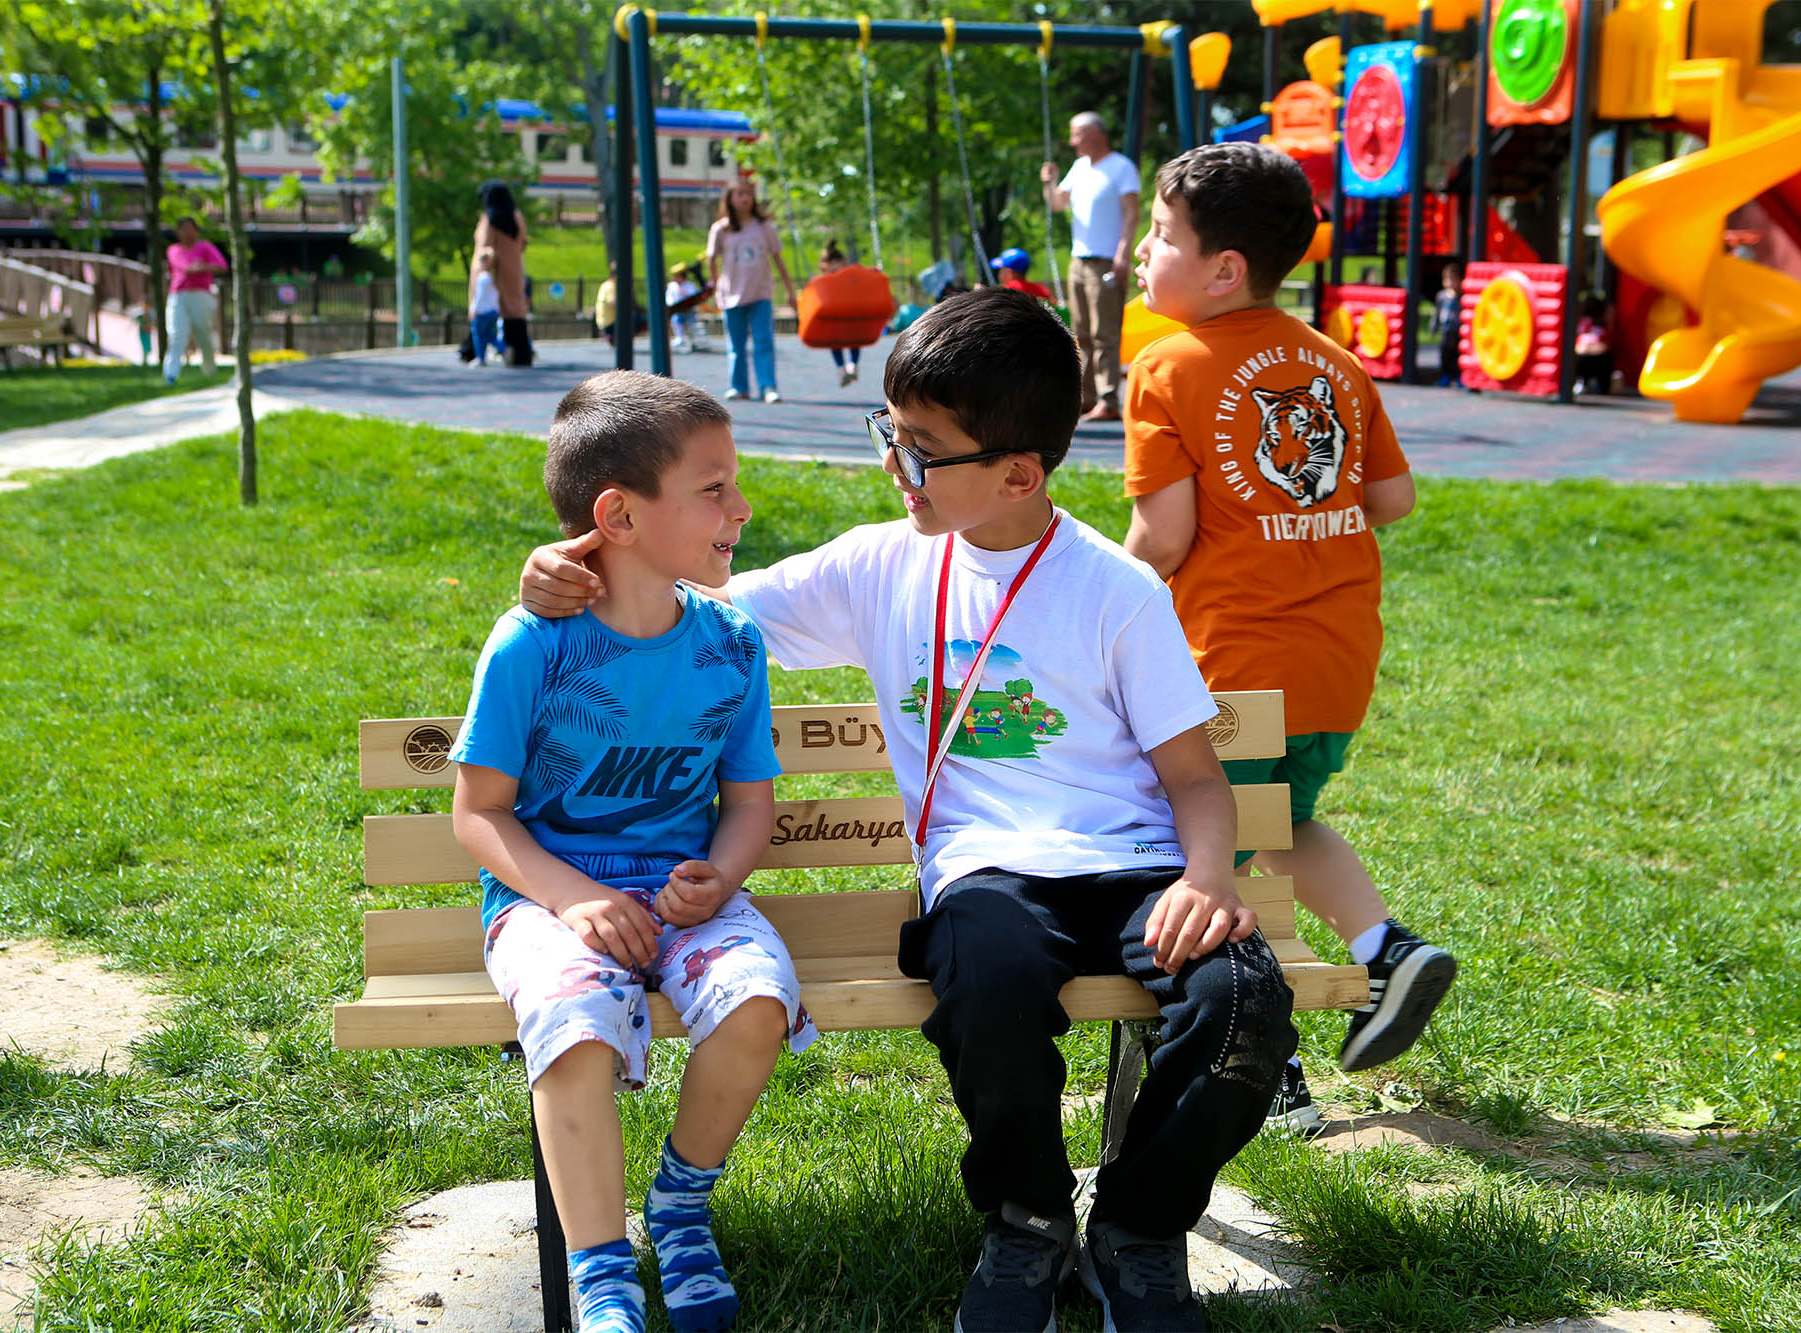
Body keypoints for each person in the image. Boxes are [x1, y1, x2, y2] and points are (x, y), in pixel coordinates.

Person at [517, 289, 1298, 1333]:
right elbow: (685, 601)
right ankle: (1024, 1219)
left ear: (1018, 474)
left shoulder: (1114, 592)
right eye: (890, 431)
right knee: (984, 981)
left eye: (923, 448)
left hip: (1137, 871)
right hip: (986, 875)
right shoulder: (877, 565)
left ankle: (1135, 1230)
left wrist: (1205, 879)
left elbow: (1197, 779)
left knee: (1243, 1004)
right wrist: (564, 567)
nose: (895, 464)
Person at [450, 370, 817, 1333]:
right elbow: (480, 814)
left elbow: (749, 801)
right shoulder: (533, 645)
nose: (742, 507)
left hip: (682, 899)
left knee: (758, 1002)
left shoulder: (731, 644)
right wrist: (572, 899)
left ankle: (682, 1204)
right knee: (572, 1023)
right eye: (714, 488)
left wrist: (722, 876)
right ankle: (599, 1263)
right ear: (619, 514)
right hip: (545, 900)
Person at [1121, 142, 1456, 1134]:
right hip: (1334, 658)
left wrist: (1093, 595)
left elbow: (1163, 537)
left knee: (1204, 846)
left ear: (1222, 268)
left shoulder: (1166, 367)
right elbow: (1389, 497)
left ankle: (1265, 1064)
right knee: (1277, 820)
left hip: (1229, 662)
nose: (1143, 251)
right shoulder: (1333, 361)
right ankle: (1382, 948)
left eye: (1160, 234)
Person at [1041, 111, 1141, 422]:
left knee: (1105, 333)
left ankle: (1109, 400)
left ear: (1095, 134)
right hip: (1079, 259)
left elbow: (1131, 214)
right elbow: (1058, 204)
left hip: (1106, 260)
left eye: (1077, 135)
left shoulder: (1121, 168)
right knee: (1081, 333)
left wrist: (1123, 254)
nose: (1072, 142)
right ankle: (1087, 396)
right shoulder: (1080, 167)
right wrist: (1050, 183)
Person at [705, 179, 798, 403]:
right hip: (731, 295)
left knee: (763, 341)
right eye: (740, 194)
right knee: (736, 344)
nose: (745, 198)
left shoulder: (764, 227)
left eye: (748, 194)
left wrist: (789, 290)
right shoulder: (721, 229)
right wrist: (716, 285)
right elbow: (711, 259)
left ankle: (768, 386)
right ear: (730, 198)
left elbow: (778, 258)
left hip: (760, 293)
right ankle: (739, 386)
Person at [470, 180, 532, 367]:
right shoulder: (516, 217)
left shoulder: (490, 218)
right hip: (513, 270)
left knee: (482, 315)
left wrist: (480, 270)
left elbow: (483, 246)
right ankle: (521, 352)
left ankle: (472, 350)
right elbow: (523, 242)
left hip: (493, 273)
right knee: (514, 312)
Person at [162, 216, 227, 385]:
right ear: (178, 232)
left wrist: (202, 267)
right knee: (176, 334)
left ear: (197, 231)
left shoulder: (205, 247)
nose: (188, 232)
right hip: (178, 295)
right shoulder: (174, 250)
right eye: (183, 228)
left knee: (203, 332)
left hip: (201, 294)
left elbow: (222, 265)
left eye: (191, 228)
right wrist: (198, 267)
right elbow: (185, 267)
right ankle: (171, 374)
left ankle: (209, 370)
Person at [815, 237, 862, 387]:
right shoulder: (846, 278)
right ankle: (851, 365)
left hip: (837, 316)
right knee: (852, 340)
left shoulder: (825, 279)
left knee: (837, 342)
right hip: (846, 315)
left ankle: (843, 368)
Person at [468, 246, 507, 367]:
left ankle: (480, 358)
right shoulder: (494, 278)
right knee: (490, 336)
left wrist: (474, 310)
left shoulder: (483, 278)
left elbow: (479, 297)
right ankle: (504, 348)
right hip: (493, 311)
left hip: (483, 312)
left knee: (479, 335)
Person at [1432, 262, 1464, 388]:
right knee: (1445, 354)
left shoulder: (1462, 296)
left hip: (1458, 330)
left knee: (1458, 354)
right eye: (1447, 279)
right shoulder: (1441, 296)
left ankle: (1459, 377)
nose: (1449, 282)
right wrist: (1434, 327)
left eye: (1453, 279)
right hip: (1446, 330)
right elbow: (1437, 312)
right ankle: (1446, 375)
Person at [1574, 294, 1613, 396]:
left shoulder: (1582, 323)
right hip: (1599, 358)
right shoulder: (1603, 324)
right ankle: (1602, 387)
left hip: (1581, 358)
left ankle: (1581, 382)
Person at [666, 261, 707, 353]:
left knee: (693, 323)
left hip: (689, 311)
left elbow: (693, 298)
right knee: (676, 319)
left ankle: (696, 342)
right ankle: (680, 338)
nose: (675, 278)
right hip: (677, 310)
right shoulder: (672, 286)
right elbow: (669, 299)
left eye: (677, 276)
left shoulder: (689, 285)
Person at [991, 247, 1055, 302]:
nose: (999, 272)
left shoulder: (1009, 289)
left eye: (1001, 269)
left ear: (1009, 272)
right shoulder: (1040, 289)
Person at [129, 302, 154, 367]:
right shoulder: (140, 316)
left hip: (148, 333)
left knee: (148, 348)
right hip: (142, 333)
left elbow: (151, 324)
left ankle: (145, 360)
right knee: (144, 347)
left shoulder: (150, 316)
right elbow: (133, 320)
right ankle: (144, 361)